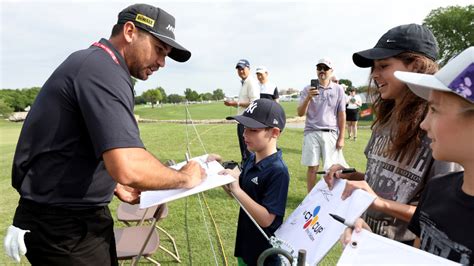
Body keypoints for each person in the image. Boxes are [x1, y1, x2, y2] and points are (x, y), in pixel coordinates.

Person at [3, 4, 206, 265]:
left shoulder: (100, 65)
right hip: (64, 228)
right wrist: (185, 178)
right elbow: (128, 165)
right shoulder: (101, 70)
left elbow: (77, 145)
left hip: (73, 219)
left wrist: (111, 183)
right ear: (130, 31)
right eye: (158, 49)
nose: (162, 62)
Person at [324, 24, 461, 245]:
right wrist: (352, 176)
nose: (375, 75)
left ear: (416, 66)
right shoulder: (385, 120)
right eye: (374, 68)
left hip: (404, 249)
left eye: (384, 65)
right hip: (366, 237)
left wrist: (379, 203)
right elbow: (383, 179)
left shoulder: (437, 128)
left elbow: (442, 213)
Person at [342, 46, 474, 265]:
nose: (424, 123)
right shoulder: (437, 191)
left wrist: (381, 204)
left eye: (435, 110)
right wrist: (370, 245)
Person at [212, 98, 289, 265]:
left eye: (253, 130)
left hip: (264, 254)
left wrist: (237, 189)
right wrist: (219, 173)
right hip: (246, 244)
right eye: (244, 128)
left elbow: (267, 219)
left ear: (274, 132)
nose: (244, 134)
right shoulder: (251, 159)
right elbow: (239, 194)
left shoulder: (278, 171)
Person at [297, 58, 347, 193]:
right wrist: (308, 97)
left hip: (331, 132)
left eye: (325, 68)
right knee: (312, 167)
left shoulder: (338, 90)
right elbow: (300, 113)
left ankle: (330, 195)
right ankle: (310, 198)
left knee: (331, 168)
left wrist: (341, 137)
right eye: (319, 68)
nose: (322, 71)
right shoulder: (307, 89)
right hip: (311, 132)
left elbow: (342, 114)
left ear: (331, 71)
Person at [224, 59, 260, 164]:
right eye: (239, 69)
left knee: (247, 151)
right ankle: (245, 170)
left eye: (243, 68)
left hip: (247, 122)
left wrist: (236, 103)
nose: (241, 71)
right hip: (242, 121)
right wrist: (233, 104)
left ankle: (248, 172)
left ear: (248, 69)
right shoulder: (244, 83)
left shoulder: (251, 82)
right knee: (244, 150)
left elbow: (254, 103)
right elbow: (243, 105)